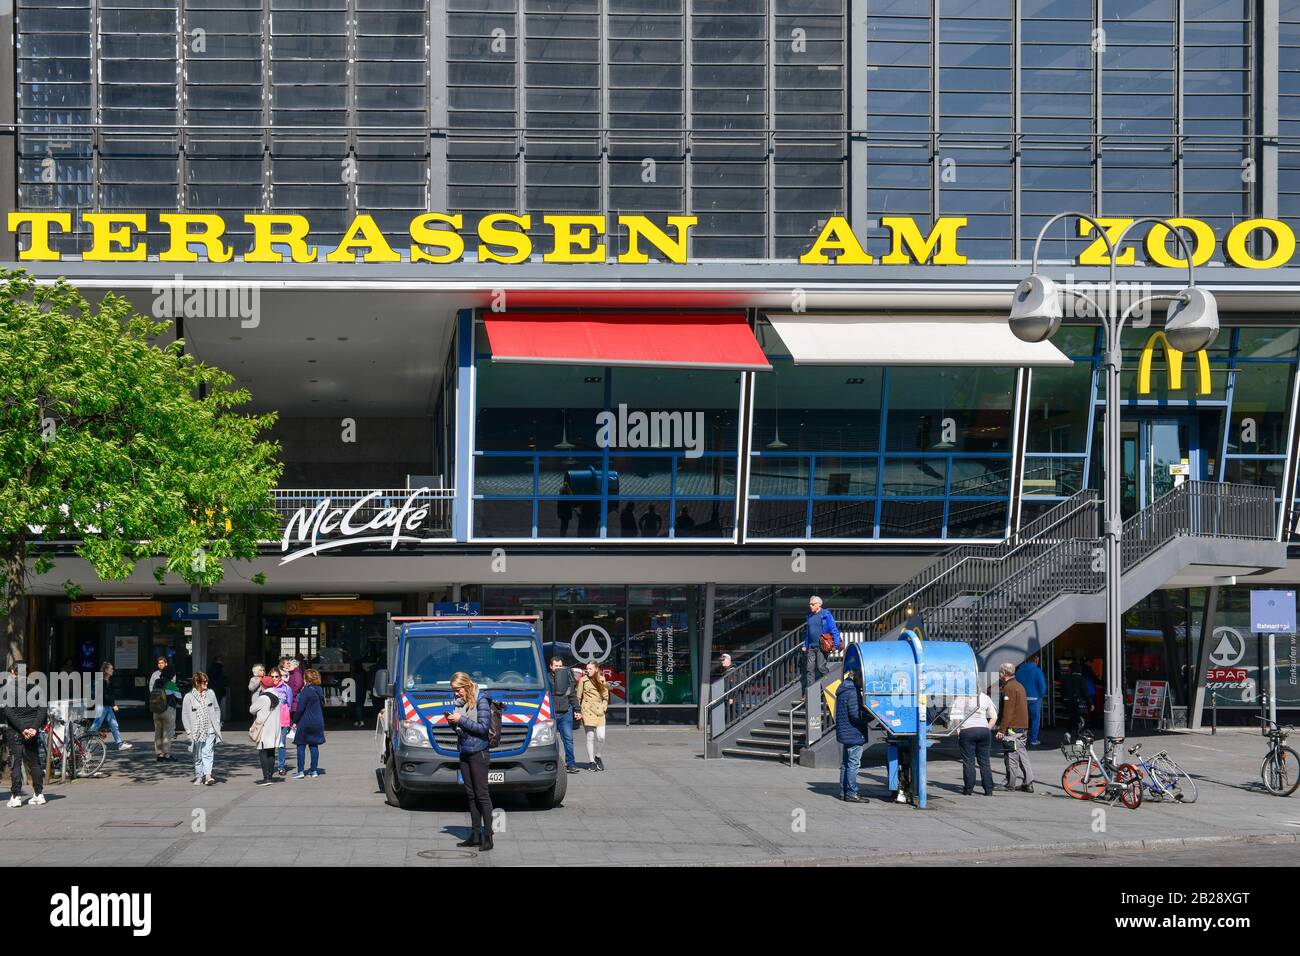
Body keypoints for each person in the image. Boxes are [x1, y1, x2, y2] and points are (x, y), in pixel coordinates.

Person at [446, 671, 494, 852]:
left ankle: (488, 836)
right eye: (454, 690)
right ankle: (475, 835)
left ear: (466, 686)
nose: (455, 694)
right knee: (471, 794)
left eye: (457, 690)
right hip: (465, 750)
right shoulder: (461, 703)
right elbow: (463, 728)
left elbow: (483, 728)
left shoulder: (482, 700)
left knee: (482, 795)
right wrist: (453, 722)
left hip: (479, 752)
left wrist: (461, 719)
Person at [2, 665, 47, 807]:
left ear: (14, 673)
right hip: (32, 731)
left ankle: (16, 797)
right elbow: (42, 710)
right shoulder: (37, 688)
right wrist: (33, 728)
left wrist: (22, 729)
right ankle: (39, 794)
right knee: (34, 762)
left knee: (16, 762)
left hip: (15, 731)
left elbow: (9, 712)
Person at [995, 662, 1035, 793]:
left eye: (1000, 672)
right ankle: (1028, 782)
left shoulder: (1009, 688)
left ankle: (1009, 783)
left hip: (1013, 728)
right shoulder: (1019, 685)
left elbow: (1008, 711)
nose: (999, 674)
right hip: (1022, 726)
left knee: (1011, 755)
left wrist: (1001, 730)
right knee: (1022, 754)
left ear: (1004, 674)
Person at [835, 669, 873, 803]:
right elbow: (856, 715)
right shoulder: (852, 692)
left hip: (846, 732)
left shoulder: (843, 689)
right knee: (853, 764)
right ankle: (851, 792)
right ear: (857, 678)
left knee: (845, 764)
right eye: (863, 680)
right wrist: (870, 715)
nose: (864, 683)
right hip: (854, 733)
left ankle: (843, 791)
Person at [955, 683, 998, 796]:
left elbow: (955, 717)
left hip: (967, 730)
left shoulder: (961, 698)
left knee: (969, 761)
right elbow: (994, 717)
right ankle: (988, 789)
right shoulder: (985, 697)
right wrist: (987, 728)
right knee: (985, 761)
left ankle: (968, 789)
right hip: (983, 730)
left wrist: (958, 729)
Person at [181, 671, 222, 786]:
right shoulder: (188, 697)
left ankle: (208, 775)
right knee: (198, 755)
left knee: (207, 752)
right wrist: (188, 731)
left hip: (210, 729)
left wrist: (217, 723)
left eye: (207, 681)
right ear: (197, 682)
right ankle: (199, 776)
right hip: (196, 731)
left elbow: (217, 708)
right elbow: (185, 715)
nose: (206, 683)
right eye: (204, 682)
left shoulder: (211, 693)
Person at [801, 595, 841, 694]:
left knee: (821, 667)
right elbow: (808, 632)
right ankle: (810, 693)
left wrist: (836, 645)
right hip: (811, 647)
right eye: (810, 604)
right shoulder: (809, 616)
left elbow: (834, 630)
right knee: (809, 669)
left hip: (822, 646)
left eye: (812, 604)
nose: (810, 606)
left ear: (819, 604)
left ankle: (828, 688)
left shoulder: (826, 615)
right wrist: (805, 644)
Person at [291, 668, 326, 778]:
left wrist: (294, 721)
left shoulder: (306, 690)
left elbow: (300, 708)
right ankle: (314, 770)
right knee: (314, 745)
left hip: (306, 721)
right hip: (318, 721)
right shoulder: (319, 690)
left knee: (301, 745)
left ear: (306, 678)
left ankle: (301, 771)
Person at [575, 660, 610, 771]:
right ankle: (591, 762)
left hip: (599, 712)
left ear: (596, 669)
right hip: (587, 711)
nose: (588, 671)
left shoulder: (602, 680)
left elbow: (605, 697)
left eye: (590, 669)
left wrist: (604, 708)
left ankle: (598, 756)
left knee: (601, 737)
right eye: (587, 668)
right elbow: (578, 697)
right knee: (590, 737)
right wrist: (578, 711)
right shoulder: (583, 681)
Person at [89, 662, 131, 751]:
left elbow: (110, 695)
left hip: (107, 707)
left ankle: (120, 744)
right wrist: (113, 705)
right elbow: (104, 696)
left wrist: (112, 704)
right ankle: (84, 744)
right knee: (96, 726)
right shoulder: (101, 681)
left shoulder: (108, 681)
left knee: (114, 725)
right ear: (106, 670)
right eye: (111, 669)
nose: (113, 670)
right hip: (102, 707)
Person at [249, 675, 283, 786]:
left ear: (262, 685)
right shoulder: (277, 695)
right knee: (271, 752)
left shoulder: (263, 698)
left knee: (263, 752)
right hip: (275, 728)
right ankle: (270, 776)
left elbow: (252, 709)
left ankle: (266, 777)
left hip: (264, 728)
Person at [549, 656, 580, 774]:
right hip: (552, 714)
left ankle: (571, 764)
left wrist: (577, 710)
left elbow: (572, 694)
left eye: (560, 666)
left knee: (568, 740)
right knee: (550, 740)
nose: (558, 668)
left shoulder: (568, 677)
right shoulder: (546, 678)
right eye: (556, 666)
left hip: (566, 712)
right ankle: (552, 765)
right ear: (551, 666)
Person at [148, 656, 179, 761]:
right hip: (168, 710)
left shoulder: (157, 681)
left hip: (156, 710)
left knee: (158, 732)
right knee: (167, 732)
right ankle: (167, 754)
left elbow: (151, 691)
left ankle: (159, 754)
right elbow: (179, 696)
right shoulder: (170, 683)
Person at [1015, 654, 1047, 746]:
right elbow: (1042, 687)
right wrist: (1041, 696)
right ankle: (1033, 740)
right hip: (1035, 698)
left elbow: (1016, 684)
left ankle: (1020, 739)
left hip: (1022, 698)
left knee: (1021, 719)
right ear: (1036, 660)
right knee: (1035, 719)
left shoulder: (1019, 671)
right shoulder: (1037, 671)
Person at [269, 666, 294, 776]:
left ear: (280, 677)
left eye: (276, 676)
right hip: (270, 721)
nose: (274, 678)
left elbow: (289, 703)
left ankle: (281, 767)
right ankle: (269, 766)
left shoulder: (286, 688)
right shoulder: (267, 688)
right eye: (272, 676)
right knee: (269, 745)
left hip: (283, 720)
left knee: (281, 744)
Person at [1060, 660, 1091, 736]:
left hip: (1067, 701)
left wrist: (1063, 699)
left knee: (1072, 716)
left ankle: (1069, 732)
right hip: (1077, 701)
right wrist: (1091, 703)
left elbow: (1062, 690)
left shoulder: (1065, 678)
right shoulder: (1081, 679)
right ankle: (1077, 733)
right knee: (1077, 717)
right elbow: (1085, 692)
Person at [351, 654, 369, 728]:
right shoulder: (364, 672)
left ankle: (360, 721)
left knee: (357, 706)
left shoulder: (354, 673)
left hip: (355, 691)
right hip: (363, 690)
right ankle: (360, 720)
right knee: (361, 705)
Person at [208, 656, 228, 722]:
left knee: (213, 705)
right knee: (217, 706)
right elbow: (219, 679)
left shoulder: (211, 668)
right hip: (218, 689)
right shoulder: (219, 668)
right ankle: (216, 720)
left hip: (212, 689)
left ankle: (212, 720)